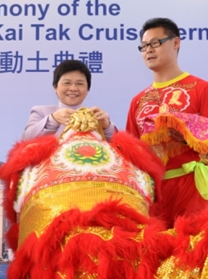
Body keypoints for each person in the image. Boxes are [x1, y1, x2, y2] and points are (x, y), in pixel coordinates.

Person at [126, 17, 208, 228]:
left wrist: (189, 136)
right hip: (156, 195)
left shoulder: (201, 88)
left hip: (193, 189)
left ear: (176, 43)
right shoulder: (138, 100)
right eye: (144, 46)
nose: (148, 50)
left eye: (155, 43)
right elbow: (131, 153)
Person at [21, 59, 117, 140]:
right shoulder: (41, 112)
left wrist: (107, 127)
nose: (73, 88)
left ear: (87, 89)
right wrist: (53, 119)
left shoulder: (98, 116)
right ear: (55, 87)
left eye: (80, 83)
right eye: (67, 83)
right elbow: (26, 141)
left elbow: (120, 151)